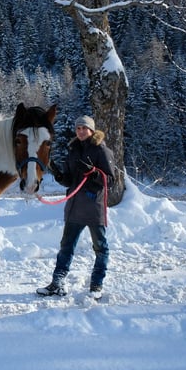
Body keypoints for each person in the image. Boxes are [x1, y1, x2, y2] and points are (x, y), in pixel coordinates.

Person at [37, 114, 116, 300]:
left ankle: (96, 285)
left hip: (93, 207)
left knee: (100, 248)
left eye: (84, 128)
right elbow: (69, 181)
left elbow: (110, 181)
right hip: (74, 207)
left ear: (91, 130)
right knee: (66, 247)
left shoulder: (102, 151)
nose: (81, 131)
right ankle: (57, 283)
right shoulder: (72, 150)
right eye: (78, 128)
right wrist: (56, 172)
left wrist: (93, 172)